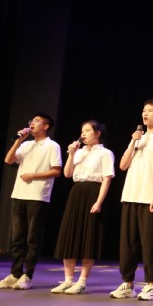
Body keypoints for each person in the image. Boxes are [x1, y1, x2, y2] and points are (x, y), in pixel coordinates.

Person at [110, 99, 153, 301]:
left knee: (149, 243)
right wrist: (133, 142)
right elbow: (122, 166)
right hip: (130, 195)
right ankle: (127, 283)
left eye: (150, 111)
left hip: (149, 197)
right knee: (127, 243)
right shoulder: (137, 139)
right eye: (144, 110)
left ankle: (151, 284)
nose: (145, 114)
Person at [0, 114, 62, 290]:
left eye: (37, 121)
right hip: (19, 193)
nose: (32, 123)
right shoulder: (25, 144)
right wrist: (19, 140)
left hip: (38, 195)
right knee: (17, 237)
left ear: (46, 126)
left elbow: (56, 171)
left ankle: (27, 275)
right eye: (31, 121)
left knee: (33, 238)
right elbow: (8, 160)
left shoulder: (52, 146)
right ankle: (15, 273)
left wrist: (33, 175)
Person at [51, 120, 115, 295]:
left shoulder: (105, 153)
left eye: (87, 130)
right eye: (82, 131)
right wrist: (71, 154)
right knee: (69, 235)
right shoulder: (78, 152)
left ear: (98, 133)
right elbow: (67, 174)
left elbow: (107, 179)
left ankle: (82, 281)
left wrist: (99, 202)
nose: (83, 134)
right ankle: (68, 280)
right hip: (76, 193)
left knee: (88, 238)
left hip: (93, 192)